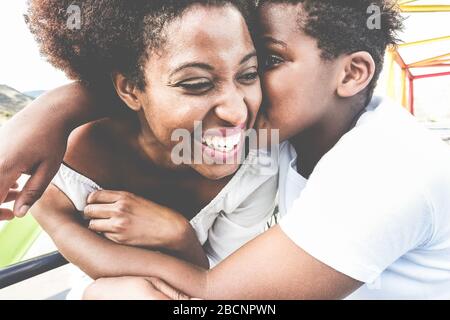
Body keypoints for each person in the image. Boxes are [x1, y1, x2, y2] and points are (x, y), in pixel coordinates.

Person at [3, 0, 450, 299]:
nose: (237, 109)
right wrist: (53, 108)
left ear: (351, 74)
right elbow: (160, 81)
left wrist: (174, 235)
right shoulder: (287, 133)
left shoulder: (387, 170)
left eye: (262, 65)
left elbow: (217, 294)